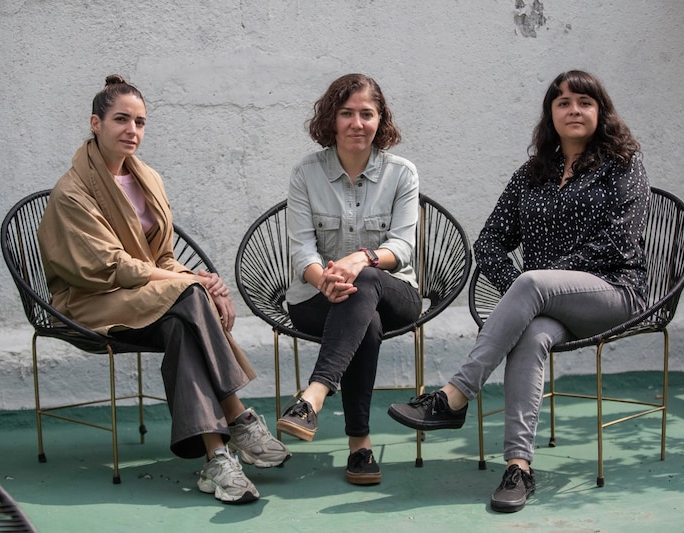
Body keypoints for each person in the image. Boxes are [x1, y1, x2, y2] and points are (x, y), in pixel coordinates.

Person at [388, 70, 650, 512]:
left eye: (584, 102)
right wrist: (523, 297)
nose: (574, 110)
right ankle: (518, 467)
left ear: (600, 111)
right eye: (563, 102)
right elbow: (489, 242)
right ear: (551, 113)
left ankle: (454, 396)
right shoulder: (532, 174)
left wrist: (537, 285)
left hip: (613, 291)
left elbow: (618, 242)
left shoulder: (623, 165)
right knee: (529, 335)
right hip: (547, 302)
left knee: (533, 283)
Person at [37, 74, 290, 505]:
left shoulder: (147, 178)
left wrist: (201, 282)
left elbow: (163, 260)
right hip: (90, 302)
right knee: (190, 297)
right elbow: (113, 267)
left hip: (144, 299)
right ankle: (238, 416)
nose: (131, 130)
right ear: (95, 123)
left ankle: (216, 458)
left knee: (183, 326)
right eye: (121, 119)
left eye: (140, 122)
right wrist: (196, 283)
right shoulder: (72, 192)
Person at [277, 73, 422, 485]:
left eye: (366, 114)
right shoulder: (305, 173)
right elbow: (301, 250)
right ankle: (360, 446)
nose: (357, 123)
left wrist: (361, 258)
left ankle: (314, 396)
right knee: (364, 316)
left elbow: (404, 248)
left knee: (369, 281)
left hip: (396, 294)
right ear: (331, 119)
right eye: (346, 113)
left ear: (381, 120)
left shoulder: (402, 173)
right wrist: (324, 279)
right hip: (317, 298)